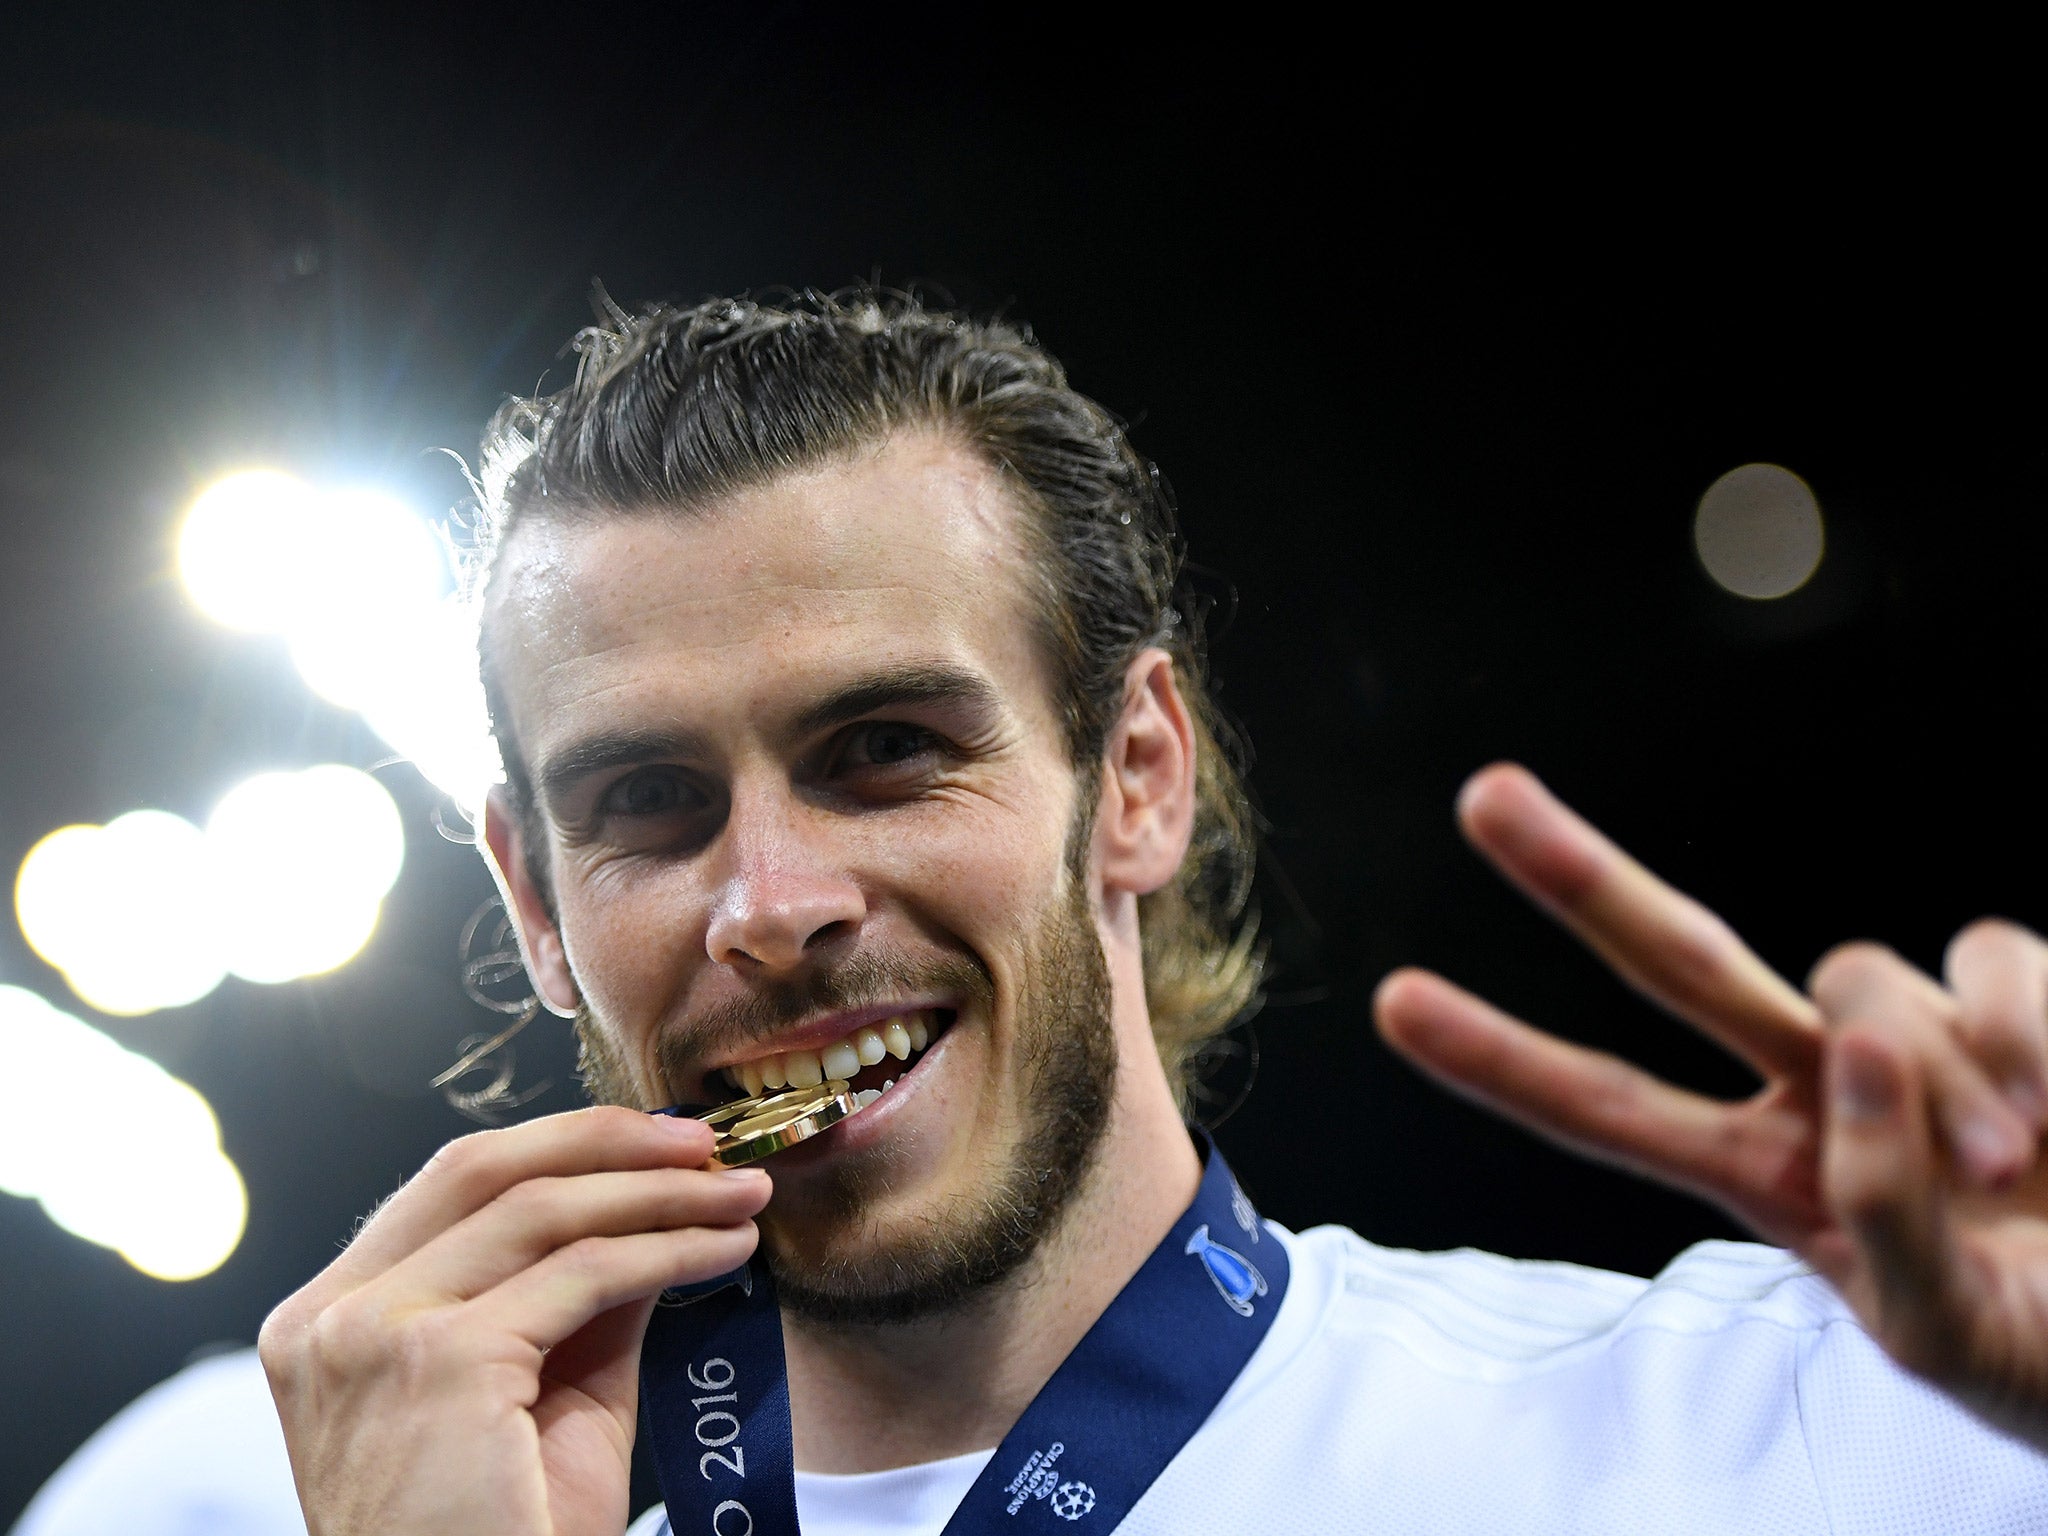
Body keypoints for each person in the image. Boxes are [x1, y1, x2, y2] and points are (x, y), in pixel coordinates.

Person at [256, 292, 2048, 1534]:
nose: (772, 906)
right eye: (646, 803)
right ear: (535, 897)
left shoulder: (1803, 1433)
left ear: (1135, 779)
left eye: (884, 749)